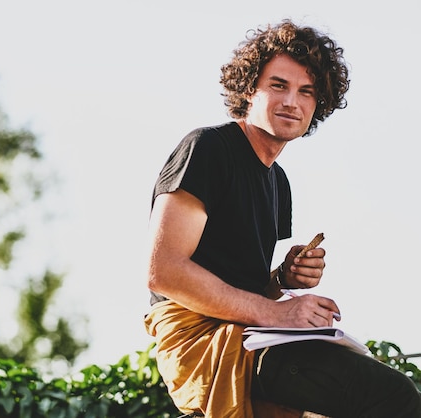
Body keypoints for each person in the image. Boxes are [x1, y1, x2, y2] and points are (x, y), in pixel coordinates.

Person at [143, 20, 421, 418]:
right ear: (249, 89)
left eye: (307, 91)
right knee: (392, 396)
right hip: (202, 342)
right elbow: (164, 272)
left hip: (249, 333)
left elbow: (244, 287)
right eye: (279, 85)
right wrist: (279, 313)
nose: (292, 101)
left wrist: (282, 279)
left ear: (318, 105)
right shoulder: (208, 149)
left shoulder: (279, 183)